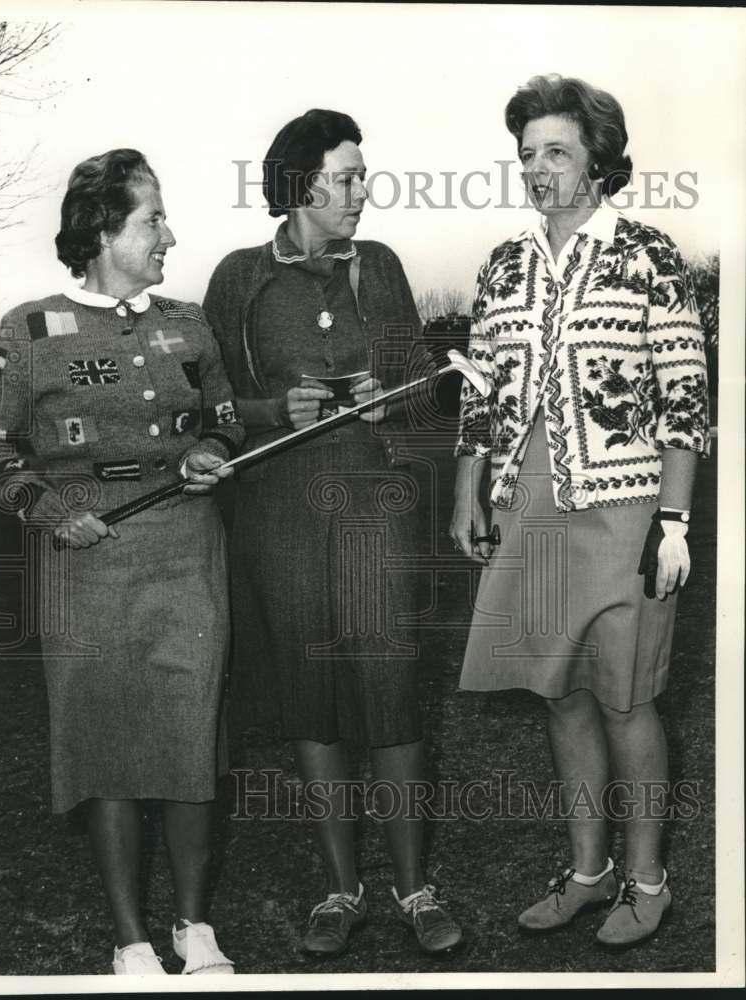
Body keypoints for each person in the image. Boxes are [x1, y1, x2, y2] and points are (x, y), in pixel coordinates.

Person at [0, 149, 244, 975]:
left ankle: (196, 930)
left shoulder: (190, 323)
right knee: (105, 744)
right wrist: (51, 511)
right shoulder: (27, 330)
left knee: (188, 735)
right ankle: (130, 940)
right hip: (84, 566)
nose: (169, 234)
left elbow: (226, 418)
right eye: (152, 218)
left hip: (187, 556)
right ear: (100, 230)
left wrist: (210, 447)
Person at [450, 75, 709, 948]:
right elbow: (478, 393)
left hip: (625, 512)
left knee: (626, 702)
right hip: (528, 516)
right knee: (557, 697)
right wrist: (467, 491)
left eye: (555, 151)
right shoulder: (505, 262)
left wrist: (673, 523)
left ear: (598, 159)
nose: (537, 169)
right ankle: (587, 873)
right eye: (526, 154)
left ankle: (647, 882)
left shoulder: (648, 254)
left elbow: (685, 395)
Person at [203, 109, 462, 957]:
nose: (362, 191)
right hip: (277, 509)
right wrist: (276, 410)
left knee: (388, 685)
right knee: (308, 698)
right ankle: (338, 888)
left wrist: (379, 391)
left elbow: (426, 386)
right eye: (346, 177)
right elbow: (210, 409)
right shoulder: (239, 277)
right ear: (299, 184)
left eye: (362, 175)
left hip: (371, 503)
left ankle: (416, 887)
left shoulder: (378, 267)